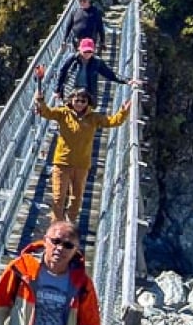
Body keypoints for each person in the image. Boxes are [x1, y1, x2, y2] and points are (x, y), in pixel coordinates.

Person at [36, 86, 131, 223]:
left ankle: (70, 223)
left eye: (83, 101)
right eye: (77, 100)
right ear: (71, 100)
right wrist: (40, 100)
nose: (79, 104)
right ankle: (56, 226)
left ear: (88, 103)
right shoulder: (63, 113)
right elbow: (46, 113)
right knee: (58, 197)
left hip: (81, 164)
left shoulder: (94, 118)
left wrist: (123, 112)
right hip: (62, 162)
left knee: (76, 198)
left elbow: (112, 122)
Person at [54, 37, 138, 105]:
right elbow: (62, 72)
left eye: (90, 51)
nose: (87, 53)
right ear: (80, 50)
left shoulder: (97, 62)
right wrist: (57, 91)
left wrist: (127, 81)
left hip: (87, 92)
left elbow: (110, 74)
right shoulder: (72, 58)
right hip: (71, 90)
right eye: (85, 51)